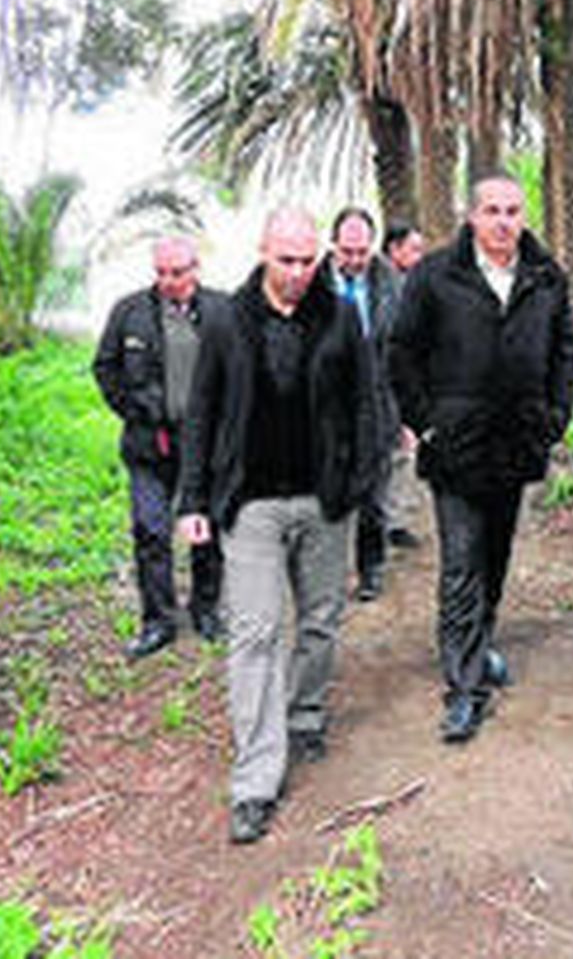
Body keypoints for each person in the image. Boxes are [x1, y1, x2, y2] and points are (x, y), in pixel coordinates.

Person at [177, 207, 377, 844]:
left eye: (306, 260)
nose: (296, 272)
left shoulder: (341, 317)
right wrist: (193, 501)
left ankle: (306, 713)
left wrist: (358, 486)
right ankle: (256, 780)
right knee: (256, 633)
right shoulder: (228, 322)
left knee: (319, 619)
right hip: (252, 505)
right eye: (285, 259)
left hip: (323, 501)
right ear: (263, 251)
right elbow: (202, 413)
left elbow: (365, 403)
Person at [389, 175, 573, 743]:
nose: (502, 221)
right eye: (491, 210)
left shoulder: (546, 277)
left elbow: (564, 350)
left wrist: (553, 419)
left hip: (516, 445)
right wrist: (426, 422)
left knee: (493, 561)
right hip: (456, 449)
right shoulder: (435, 275)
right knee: (461, 566)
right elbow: (401, 351)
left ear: (524, 217)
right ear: (471, 216)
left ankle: (479, 643)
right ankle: (464, 688)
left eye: (512, 211)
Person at [92, 237, 223, 659]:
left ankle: (206, 608)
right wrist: (135, 410)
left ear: (195, 268)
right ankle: (158, 621)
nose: (168, 281)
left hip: (204, 445)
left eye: (177, 273)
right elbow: (104, 367)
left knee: (205, 529)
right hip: (149, 445)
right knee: (151, 529)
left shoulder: (222, 310)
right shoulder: (130, 312)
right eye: (161, 272)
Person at [325, 207, 401, 601]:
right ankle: (327, 574)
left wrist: (408, 416)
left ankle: (371, 569)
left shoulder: (390, 282)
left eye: (361, 251)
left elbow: (406, 351)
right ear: (333, 245)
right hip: (325, 411)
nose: (354, 260)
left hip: (377, 406)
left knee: (373, 498)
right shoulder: (311, 282)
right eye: (347, 251)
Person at [380, 218, 426, 550]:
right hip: (384, 384)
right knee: (393, 452)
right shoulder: (386, 285)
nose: (419, 256)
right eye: (414, 249)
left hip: (397, 385)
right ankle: (386, 523)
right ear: (394, 249)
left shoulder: (405, 283)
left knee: (399, 453)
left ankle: (391, 522)